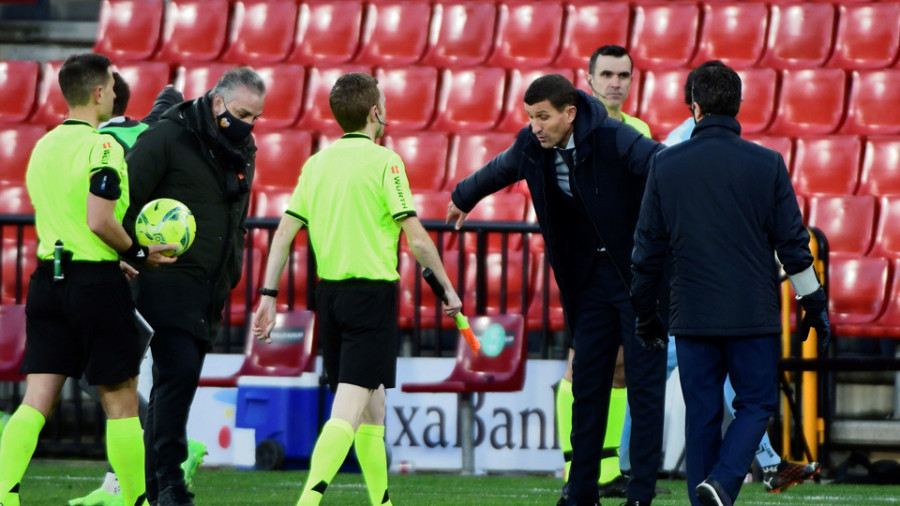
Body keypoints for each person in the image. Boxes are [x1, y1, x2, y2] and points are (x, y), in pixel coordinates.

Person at [447, 74, 664, 506]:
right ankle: (580, 491)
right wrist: (463, 196)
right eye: (530, 117)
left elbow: (663, 165)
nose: (535, 126)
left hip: (637, 279)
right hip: (588, 284)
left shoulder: (614, 137)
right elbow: (500, 168)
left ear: (569, 113)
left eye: (542, 117)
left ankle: (641, 493)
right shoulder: (532, 145)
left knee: (644, 387)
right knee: (587, 387)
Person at [251, 72, 462, 506]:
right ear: (375, 112)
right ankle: (308, 500)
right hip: (371, 298)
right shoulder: (386, 162)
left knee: (373, 406)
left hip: (330, 297)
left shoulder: (317, 163)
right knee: (349, 407)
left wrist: (268, 296)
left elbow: (283, 234)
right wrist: (447, 288)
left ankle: (381, 501)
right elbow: (417, 237)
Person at [630, 62, 831, 506]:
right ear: (738, 106)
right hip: (751, 315)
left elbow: (646, 253)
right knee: (756, 403)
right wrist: (813, 304)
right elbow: (795, 245)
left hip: (692, 314)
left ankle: (712, 489)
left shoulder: (665, 166)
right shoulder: (768, 164)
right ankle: (722, 483)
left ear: (694, 108)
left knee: (701, 417)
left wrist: (646, 315)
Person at [0, 53, 175, 506]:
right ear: (99, 93)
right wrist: (136, 252)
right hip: (94, 284)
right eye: (114, 88)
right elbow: (99, 220)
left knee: (36, 400)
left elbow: (67, 220)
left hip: (46, 280)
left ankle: (4, 494)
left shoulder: (43, 145)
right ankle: (136, 500)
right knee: (121, 401)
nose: (116, 95)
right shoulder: (103, 147)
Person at [122, 66, 266, 506]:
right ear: (218, 102)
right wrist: (135, 253)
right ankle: (169, 485)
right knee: (176, 376)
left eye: (257, 117)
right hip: (166, 280)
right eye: (244, 113)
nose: (250, 124)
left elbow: (235, 216)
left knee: (177, 384)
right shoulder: (168, 136)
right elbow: (122, 200)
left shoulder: (244, 147)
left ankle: (157, 486)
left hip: (210, 286)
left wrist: (230, 270)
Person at [69, 73, 207, 506]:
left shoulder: (104, 137)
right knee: (115, 380)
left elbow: (95, 207)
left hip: (118, 268)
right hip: (143, 266)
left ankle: (165, 458)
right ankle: (131, 476)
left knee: (107, 378)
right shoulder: (155, 132)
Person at [554, 44, 659, 500]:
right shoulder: (569, 125)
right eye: (608, 74)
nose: (616, 82)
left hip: (625, 269)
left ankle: (609, 467)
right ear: (589, 79)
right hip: (583, 268)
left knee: (617, 369)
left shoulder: (640, 131)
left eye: (624, 75)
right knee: (582, 367)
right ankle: (573, 467)